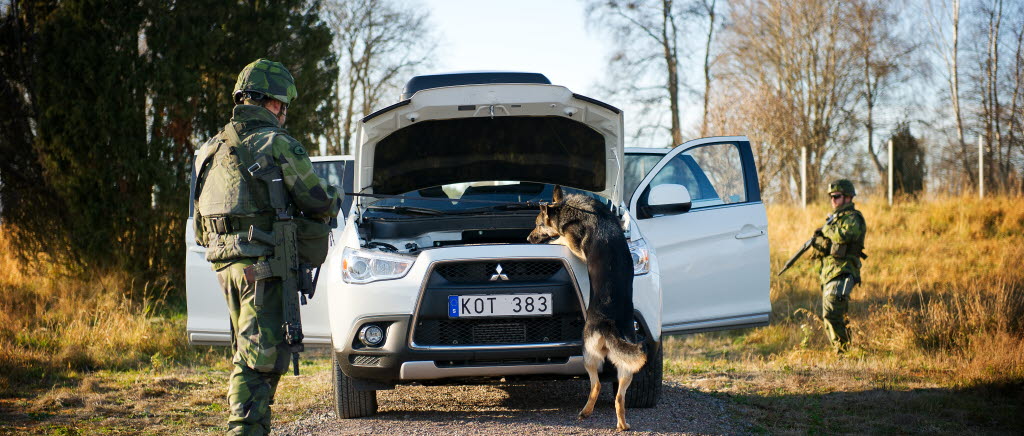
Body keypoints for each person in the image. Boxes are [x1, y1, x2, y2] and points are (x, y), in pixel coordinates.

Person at [193, 58, 342, 435]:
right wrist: (337, 196)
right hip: (263, 267)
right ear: (275, 103)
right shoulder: (276, 143)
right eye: (283, 105)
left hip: (225, 265)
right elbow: (319, 200)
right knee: (260, 358)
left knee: (251, 352)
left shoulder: (207, 151)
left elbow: (200, 228)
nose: (283, 112)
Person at [811, 179, 867, 354]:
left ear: (848, 197)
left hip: (843, 271)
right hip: (830, 273)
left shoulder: (853, 218)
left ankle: (842, 352)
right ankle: (842, 351)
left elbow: (844, 236)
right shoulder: (835, 219)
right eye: (831, 197)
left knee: (833, 313)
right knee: (833, 314)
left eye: (837, 196)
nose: (833, 200)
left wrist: (826, 229)